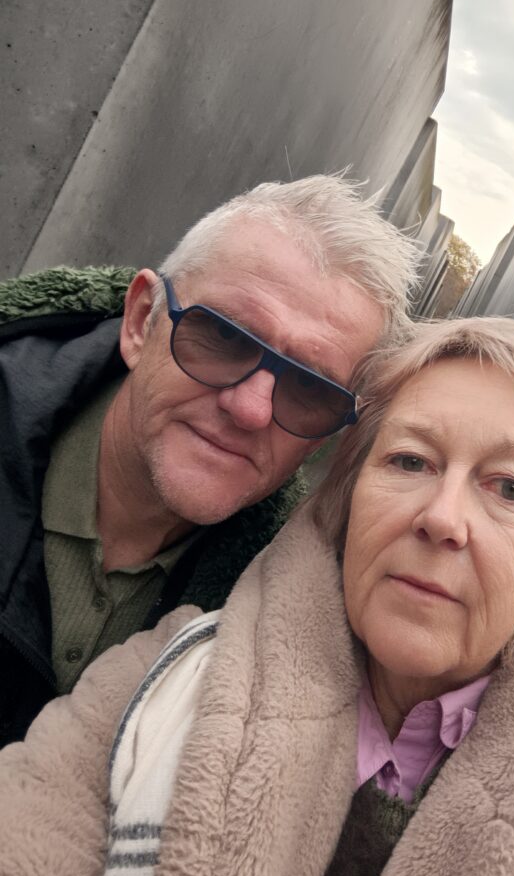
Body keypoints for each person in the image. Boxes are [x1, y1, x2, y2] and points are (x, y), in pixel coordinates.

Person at [1, 317, 514, 876]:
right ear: (347, 500)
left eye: (510, 488)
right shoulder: (155, 685)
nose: (443, 518)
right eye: (409, 461)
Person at [0, 174, 419, 747]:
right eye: (223, 337)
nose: (251, 409)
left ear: (324, 436)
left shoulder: (278, 608)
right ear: (141, 321)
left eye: (309, 389)